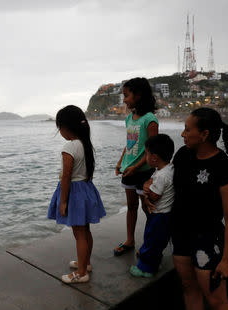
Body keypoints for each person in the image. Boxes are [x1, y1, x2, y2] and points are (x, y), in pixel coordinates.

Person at [171, 108, 228, 310]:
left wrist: (227, 259)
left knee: (217, 301)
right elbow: (172, 185)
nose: (182, 134)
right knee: (189, 289)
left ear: (204, 135)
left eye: (187, 129)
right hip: (181, 235)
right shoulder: (183, 155)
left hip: (208, 239)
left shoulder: (225, 167)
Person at [48, 105, 106, 284]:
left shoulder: (69, 147)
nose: (60, 131)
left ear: (66, 127)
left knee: (79, 233)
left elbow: (66, 176)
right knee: (85, 230)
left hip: (74, 193)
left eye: (60, 127)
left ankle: (81, 273)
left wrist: (63, 201)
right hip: (86, 189)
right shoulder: (84, 143)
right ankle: (85, 263)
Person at [114, 77, 158, 256]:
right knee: (131, 206)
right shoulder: (129, 119)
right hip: (129, 170)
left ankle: (150, 243)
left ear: (138, 95)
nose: (124, 99)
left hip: (144, 172)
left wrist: (136, 166)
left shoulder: (150, 119)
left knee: (147, 208)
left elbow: (153, 149)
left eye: (126, 95)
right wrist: (120, 162)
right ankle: (130, 240)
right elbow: (129, 144)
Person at [130, 134, 175, 277]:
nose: (146, 157)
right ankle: (154, 262)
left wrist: (147, 195)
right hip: (165, 215)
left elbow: (154, 196)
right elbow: (150, 181)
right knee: (158, 241)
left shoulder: (162, 176)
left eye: (147, 154)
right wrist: (147, 184)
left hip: (159, 216)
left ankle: (146, 268)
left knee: (151, 240)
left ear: (154, 157)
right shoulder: (168, 169)